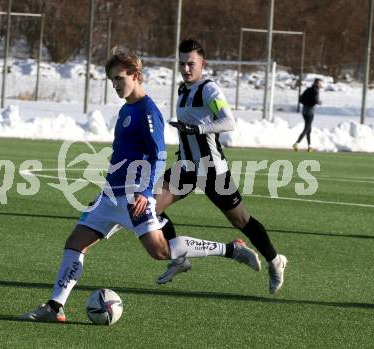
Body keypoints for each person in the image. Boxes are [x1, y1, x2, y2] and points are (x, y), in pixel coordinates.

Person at [20, 47, 260, 322]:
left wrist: (146, 193)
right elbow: (121, 157)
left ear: (136, 76)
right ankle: (55, 307)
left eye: (119, 78)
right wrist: (103, 194)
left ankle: (232, 249)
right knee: (75, 242)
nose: (115, 85)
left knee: (159, 251)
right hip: (112, 195)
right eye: (111, 80)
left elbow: (158, 153)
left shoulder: (147, 110)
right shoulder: (126, 110)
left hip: (136, 196)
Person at [155, 38, 287, 294]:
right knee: (151, 206)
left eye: (190, 64)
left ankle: (275, 260)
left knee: (241, 220)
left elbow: (228, 121)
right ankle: (179, 258)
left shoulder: (209, 90)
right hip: (186, 167)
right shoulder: (183, 91)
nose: (185, 69)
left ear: (202, 63)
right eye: (181, 64)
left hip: (212, 170)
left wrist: (198, 129)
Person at [293, 78, 323, 152]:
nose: (321, 85)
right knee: (307, 128)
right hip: (310, 112)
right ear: (317, 83)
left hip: (304, 111)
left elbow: (300, 98)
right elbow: (315, 100)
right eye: (320, 83)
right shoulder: (316, 91)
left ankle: (309, 146)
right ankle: (297, 143)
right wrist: (318, 102)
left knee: (309, 129)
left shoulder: (308, 89)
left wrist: (305, 103)